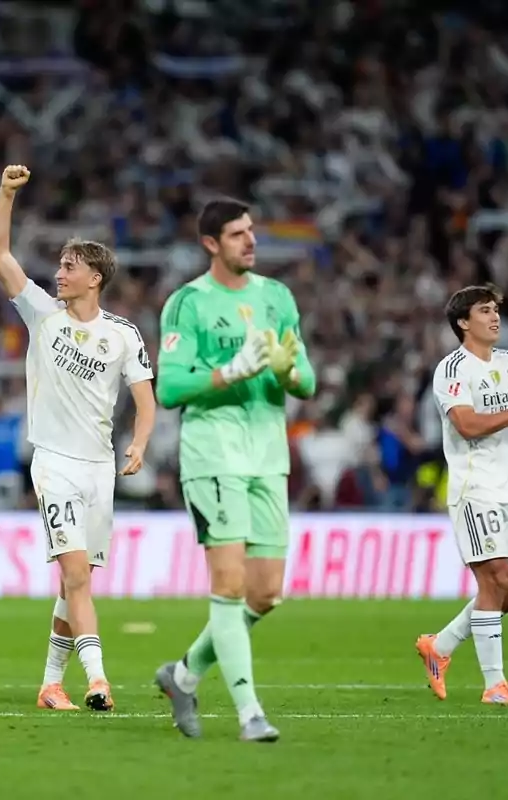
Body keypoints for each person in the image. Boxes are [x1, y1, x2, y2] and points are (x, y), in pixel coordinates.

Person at [0, 165, 156, 712]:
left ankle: (50, 684)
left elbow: (146, 400)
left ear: (95, 278)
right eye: (59, 265)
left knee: (72, 584)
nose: (58, 273)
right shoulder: (42, 314)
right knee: (77, 575)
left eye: (69, 266)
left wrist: (140, 442)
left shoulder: (123, 334)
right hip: (54, 462)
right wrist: (7, 194)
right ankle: (98, 679)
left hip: (98, 468)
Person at [152, 198, 316, 742]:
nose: (250, 241)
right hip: (212, 454)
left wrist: (287, 371)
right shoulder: (188, 303)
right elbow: (170, 388)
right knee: (227, 582)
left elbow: (308, 383)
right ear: (210, 244)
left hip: (268, 456)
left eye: (251, 231)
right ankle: (250, 714)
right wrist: (228, 372)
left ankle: (183, 676)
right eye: (237, 234)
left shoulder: (277, 297)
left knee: (265, 593)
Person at [417, 284, 508, 705]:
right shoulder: (452, 369)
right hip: (476, 489)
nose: (495, 317)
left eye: (496, 310)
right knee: (494, 579)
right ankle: (494, 685)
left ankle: (440, 645)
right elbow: (468, 426)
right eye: (485, 311)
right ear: (463, 322)